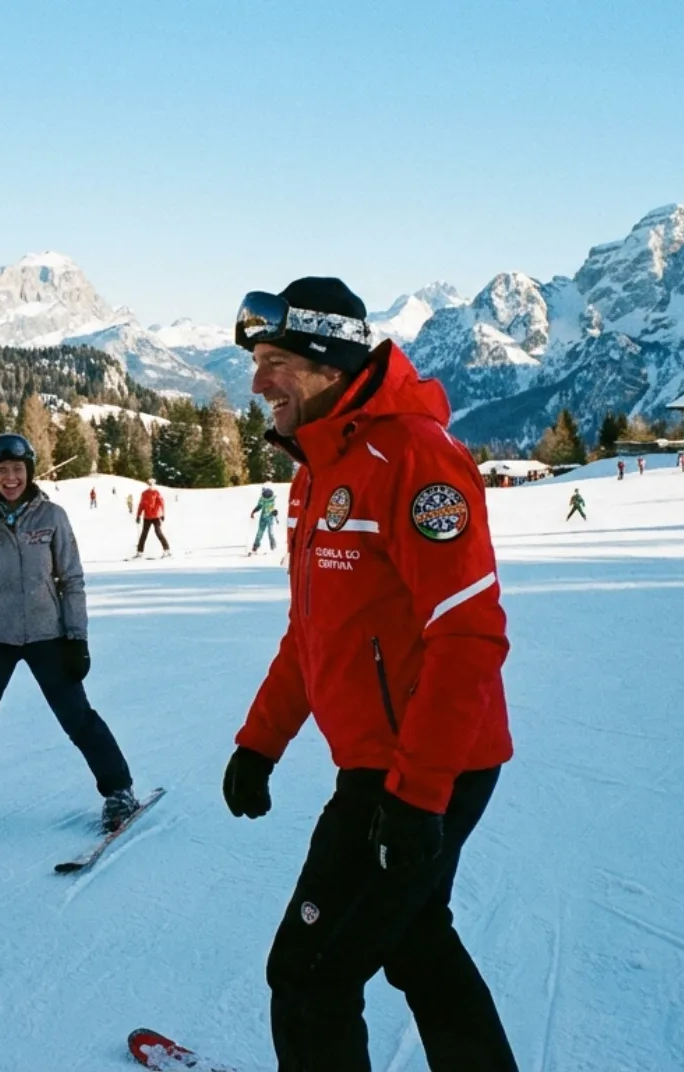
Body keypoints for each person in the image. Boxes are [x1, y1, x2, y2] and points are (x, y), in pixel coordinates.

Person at [219, 277, 515, 1070]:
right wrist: (261, 743)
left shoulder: (414, 457)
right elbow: (312, 633)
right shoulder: (318, 468)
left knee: (310, 972)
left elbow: (469, 635)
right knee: (416, 943)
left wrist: (416, 797)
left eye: (276, 360)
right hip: (391, 761)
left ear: (327, 363)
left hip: (422, 766)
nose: (257, 383)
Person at [0, 433, 138, 836]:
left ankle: (119, 792)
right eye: (1, 470)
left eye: (17, 470)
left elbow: (71, 580)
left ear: (29, 472)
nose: (10, 478)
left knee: (78, 718)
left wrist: (78, 639)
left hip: (47, 635)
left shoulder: (51, 517)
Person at [135, 479, 170, 557]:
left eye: (152, 484)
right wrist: (138, 515)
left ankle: (166, 549)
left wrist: (163, 514)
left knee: (158, 533)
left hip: (156, 516)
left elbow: (161, 504)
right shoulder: (144, 493)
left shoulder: (157, 493)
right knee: (144, 534)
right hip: (147, 517)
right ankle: (140, 551)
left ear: (154, 484)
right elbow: (141, 505)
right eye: (149, 484)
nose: (150, 485)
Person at [250, 486, 281, 553]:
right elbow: (259, 506)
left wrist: (275, 512)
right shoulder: (262, 499)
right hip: (263, 518)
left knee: (270, 533)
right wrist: (253, 512)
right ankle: (256, 546)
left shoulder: (273, 499)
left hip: (270, 518)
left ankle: (273, 547)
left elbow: (273, 508)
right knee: (259, 533)